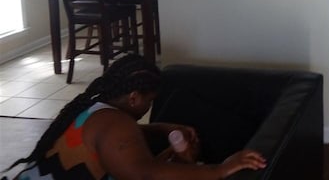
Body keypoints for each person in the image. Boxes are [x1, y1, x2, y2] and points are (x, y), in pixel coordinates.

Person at [3, 54, 266, 180]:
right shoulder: (117, 125)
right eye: (149, 101)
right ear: (133, 98)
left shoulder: (94, 107)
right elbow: (145, 176)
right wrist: (220, 170)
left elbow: (116, 145)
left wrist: (162, 128)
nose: (148, 108)